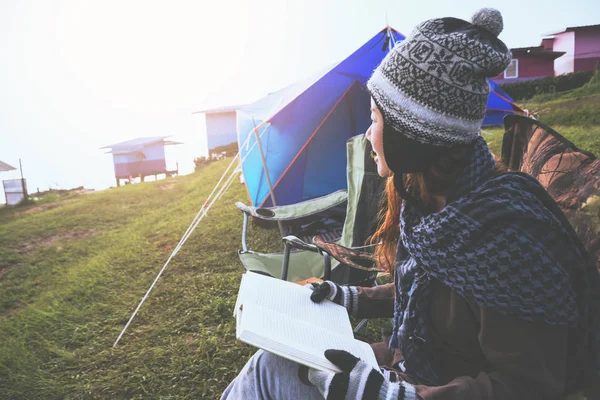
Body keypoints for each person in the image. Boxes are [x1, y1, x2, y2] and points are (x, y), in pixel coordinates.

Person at [221, 8, 600, 400]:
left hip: (427, 385)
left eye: (374, 119)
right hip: (410, 365)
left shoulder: (507, 242)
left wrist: (398, 395)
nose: (368, 135)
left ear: (411, 134)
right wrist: (348, 297)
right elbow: (428, 294)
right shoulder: (435, 208)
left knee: (269, 377)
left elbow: (532, 386)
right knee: (271, 364)